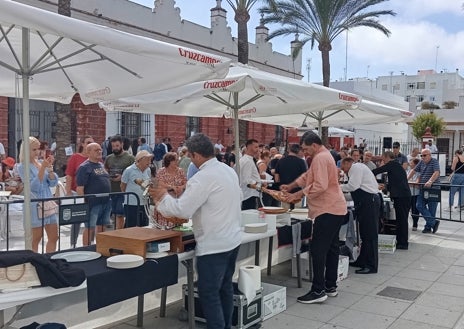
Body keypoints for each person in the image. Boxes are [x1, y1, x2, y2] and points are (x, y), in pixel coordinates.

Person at [149, 133, 241, 329]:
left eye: (190, 156)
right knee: (225, 288)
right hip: (231, 240)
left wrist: (161, 197)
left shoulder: (203, 177)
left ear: (196, 155)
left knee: (209, 293)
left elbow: (182, 210)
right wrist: (184, 191)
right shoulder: (227, 170)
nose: (189, 159)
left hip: (214, 245)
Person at [281, 131, 346, 304]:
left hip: (328, 209)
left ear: (314, 145)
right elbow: (308, 176)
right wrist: (292, 186)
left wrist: (298, 195)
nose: (304, 152)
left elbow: (320, 185)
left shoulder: (320, 158)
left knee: (318, 249)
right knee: (332, 248)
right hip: (335, 208)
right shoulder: (324, 156)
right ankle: (330, 286)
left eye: (306, 149)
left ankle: (318, 290)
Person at [17, 136, 59, 253]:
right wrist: (43, 169)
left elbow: (53, 183)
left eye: (38, 149)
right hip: (35, 204)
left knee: (54, 237)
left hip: (48, 201)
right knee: (36, 239)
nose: (37, 152)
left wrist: (50, 169)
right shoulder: (22, 166)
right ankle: (34, 263)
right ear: (26, 150)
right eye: (33, 149)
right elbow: (34, 187)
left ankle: (49, 261)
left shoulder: (40, 163)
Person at [340, 157, 380, 274]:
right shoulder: (355, 169)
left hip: (370, 203)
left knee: (370, 235)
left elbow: (353, 186)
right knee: (364, 235)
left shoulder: (356, 167)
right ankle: (362, 260)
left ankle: (371, 265)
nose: (344, 171)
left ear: (348, 163)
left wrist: (337, 187)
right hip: (365, 203)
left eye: (344, 167)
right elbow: (355, 192)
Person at [372, 151, 412, 250]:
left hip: (402, 197)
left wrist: (366, 173)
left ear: (387, 157)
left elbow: (377, 171)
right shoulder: (396, 166)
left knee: (402, 220)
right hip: (402, 196)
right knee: (400, 219)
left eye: (383, 158)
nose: (382, 160)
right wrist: (385, 186)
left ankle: (403, 243)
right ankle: (401, 241)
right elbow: (396, 182)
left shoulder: (392, 164)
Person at [76, 143, 111, 246]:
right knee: (89, 227)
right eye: (96, 150)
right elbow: (80, 188)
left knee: (102, 226)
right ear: (88, 152)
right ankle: (86, 249)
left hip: (105, 202)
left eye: (100, 150)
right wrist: (84, 203)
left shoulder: (101, 164)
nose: (99, 152)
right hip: (92, 203)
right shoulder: (84, 167)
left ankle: (101, 247)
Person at [65, 135, 94, 246]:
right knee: (76, 220)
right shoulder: (75, 157)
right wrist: (68, 192)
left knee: (91, 220)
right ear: (82, 144)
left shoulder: (95, 158)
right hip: (77, 193)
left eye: (92, 142)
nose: (90, 144)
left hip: (91, 194)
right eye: (88, 142)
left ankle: (89, 243)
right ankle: (73, 244)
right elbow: (69, 175)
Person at [407, 149, 440, 234]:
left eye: (424, 155)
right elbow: (413, 170)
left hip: (433, 188)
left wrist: (430, 181)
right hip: (423, 188)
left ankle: (428, 227)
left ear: (429, 155)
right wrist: (406, 179)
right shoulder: (421, 162)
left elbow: (436, 172)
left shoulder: (434, 161)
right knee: (419, 205)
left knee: (432, 208)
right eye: (421, 155)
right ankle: (434, 223)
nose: (423, 157)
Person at [104, 135, 135, 229]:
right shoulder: (109, 158)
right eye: (113, 146)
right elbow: (105, 170)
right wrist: (108, 175)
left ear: (122, 144)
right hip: (112, 190)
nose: (115, 148)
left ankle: (119, 234)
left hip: (123, 191)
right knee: (114, 214)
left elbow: (134, 174)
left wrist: (122, 177)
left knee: (120, 214)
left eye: (117, 146)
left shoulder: (130, 158)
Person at [120, 150, 153, 227]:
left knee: (144, 225)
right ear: (140, 160)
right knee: (131, 225)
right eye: (147, 159)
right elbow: (122, 186)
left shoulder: (148, 170)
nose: (149, 161)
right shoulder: (129, 170)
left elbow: (148, 183)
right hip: (131, 203)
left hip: (144, 203)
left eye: (150, 159)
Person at [155, 152, 187, 227]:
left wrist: (181, 187)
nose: (177, 161)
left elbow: (186, 182)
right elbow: (160, 184)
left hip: (177, 200)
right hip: (165, 200)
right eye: (176, 160)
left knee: (177, 224)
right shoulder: (161, 171)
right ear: (169, 161)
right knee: (165, 225)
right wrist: (172, 187)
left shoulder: (180, 171)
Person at [274, 144, 307, 209]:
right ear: (298, 151)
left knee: (285, 214)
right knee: (297, 215)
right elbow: (305, 177)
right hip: (297, 193)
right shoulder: (301, 162)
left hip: (284, 191)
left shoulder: (280, 161)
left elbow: (276, 179)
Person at [239, 139, 261, 210]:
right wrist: (257, 183)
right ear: (249, 147)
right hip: (248, 194)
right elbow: (246, 180)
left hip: (248, 194)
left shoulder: (246, 159)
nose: (258, 149)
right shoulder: (247, 161)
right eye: (256, 147)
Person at [408, 158, 421, 231]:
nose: (410, 164)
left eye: (411, 163)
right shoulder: (409, 171)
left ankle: (415, 224)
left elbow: (417, 184)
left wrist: (409, 183)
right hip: (408, 193)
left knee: (415, 210)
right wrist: (411, 183)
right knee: (407, 209)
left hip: (415, 193)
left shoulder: (419, 173)